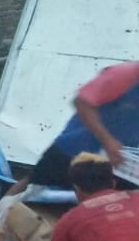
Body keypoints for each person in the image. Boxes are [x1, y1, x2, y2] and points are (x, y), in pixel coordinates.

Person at [11, 61, 139, 195]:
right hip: (74, 149)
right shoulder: (126, 74)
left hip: (119, 163)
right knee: (33, 186)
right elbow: (82, 102)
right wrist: (107, 141)